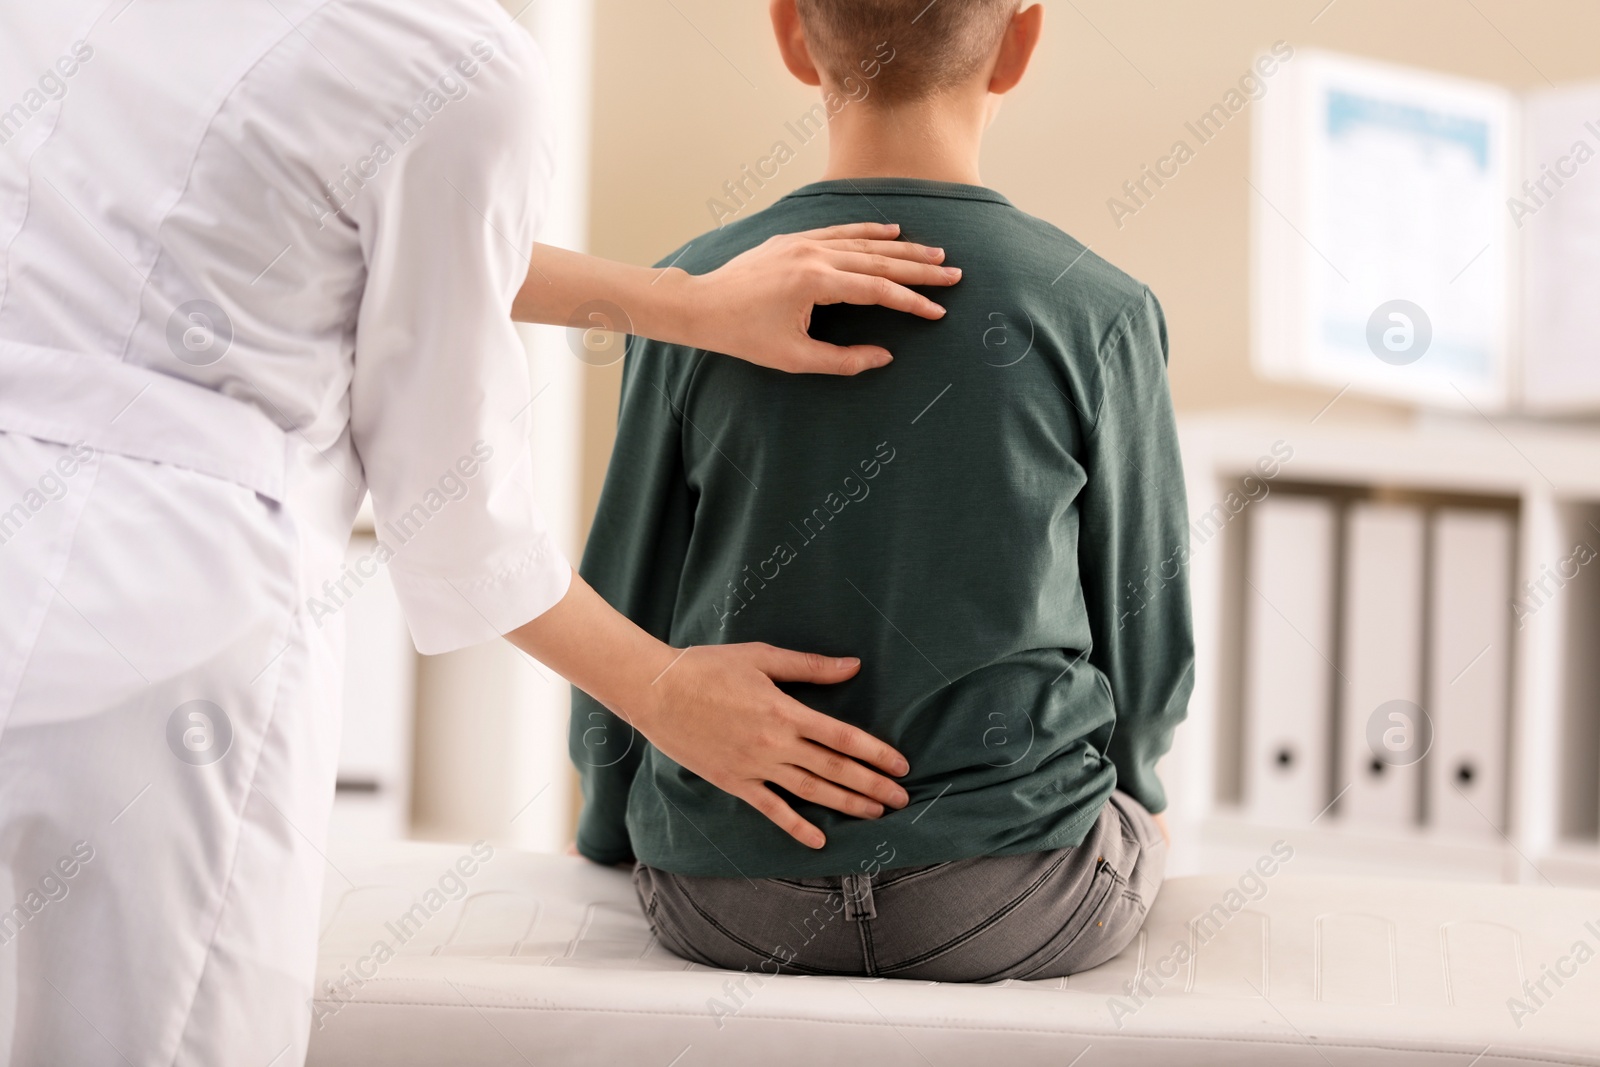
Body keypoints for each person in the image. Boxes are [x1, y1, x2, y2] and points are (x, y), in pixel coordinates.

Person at [0, 2, 962, 1064]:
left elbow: (300, 221)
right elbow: (452, 504)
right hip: (169, 646)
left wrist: (679, 303)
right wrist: (661, 692)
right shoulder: (457, 65)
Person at [572, 0, 1193, 982]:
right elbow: (1142, 625)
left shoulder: (690, 291)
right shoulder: (1100, 309)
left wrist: (609, 827)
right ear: (1021, 41)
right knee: (1130, 828)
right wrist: (1140, 787)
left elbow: (623, 588)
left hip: (725, 896)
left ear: (788, 30)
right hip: (1012, 895)